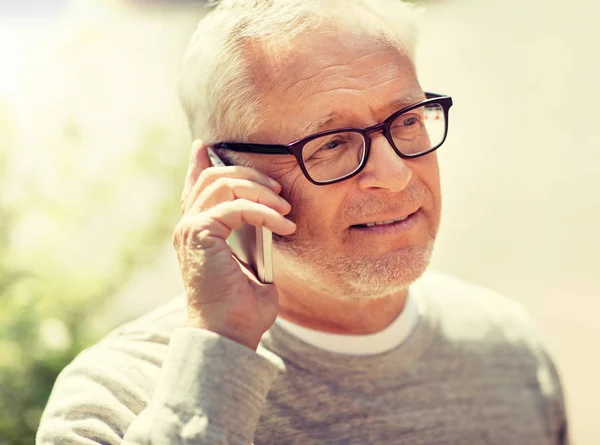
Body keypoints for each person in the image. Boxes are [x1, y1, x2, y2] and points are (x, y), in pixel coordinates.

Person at [37, 0, 569, 443]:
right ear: (221, 175)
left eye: (406, 120)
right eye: (331, 143)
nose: (395, 174)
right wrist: (219, 351)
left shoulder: (508, 349)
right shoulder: (116, 398)